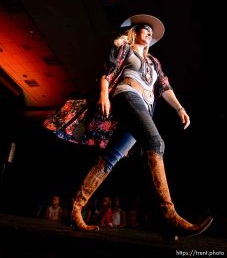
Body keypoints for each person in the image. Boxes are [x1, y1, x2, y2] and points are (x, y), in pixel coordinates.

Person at [44, 14, 213, 237]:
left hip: (145, 106)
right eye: (145, 29)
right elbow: (106, 72)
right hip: (127, 95)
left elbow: (164, 86)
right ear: (135, 31)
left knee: (111, 157)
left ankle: (75, 209)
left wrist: (180, 108)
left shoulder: (154, 63)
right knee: (155, 142)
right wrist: (104, 94)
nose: (150, 33)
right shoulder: (124, 48)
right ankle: (169, 216)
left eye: (152, 32)